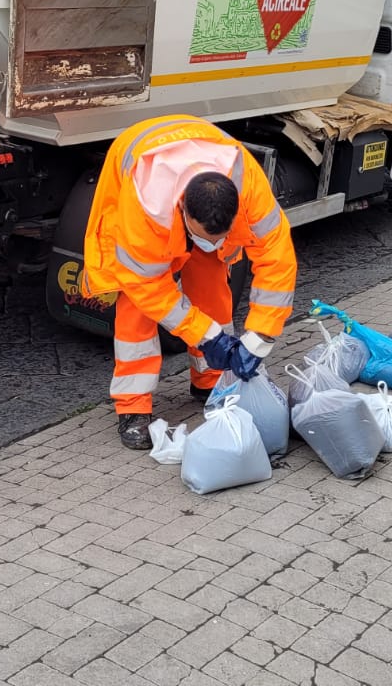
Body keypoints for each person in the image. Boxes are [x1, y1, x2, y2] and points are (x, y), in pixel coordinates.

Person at [82, 116, 298, 449]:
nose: (209, 243)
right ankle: (133, 406)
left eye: (219, 236)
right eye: (201, 236)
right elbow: (150, 288)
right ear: (183, 210)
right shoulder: (144, 205)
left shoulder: (248, 184)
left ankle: (210, 379)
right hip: (135, 155)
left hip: (195, 153)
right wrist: (208, 335)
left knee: (212, 279)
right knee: (135, 307)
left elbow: (277, 259)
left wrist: (259, 337)